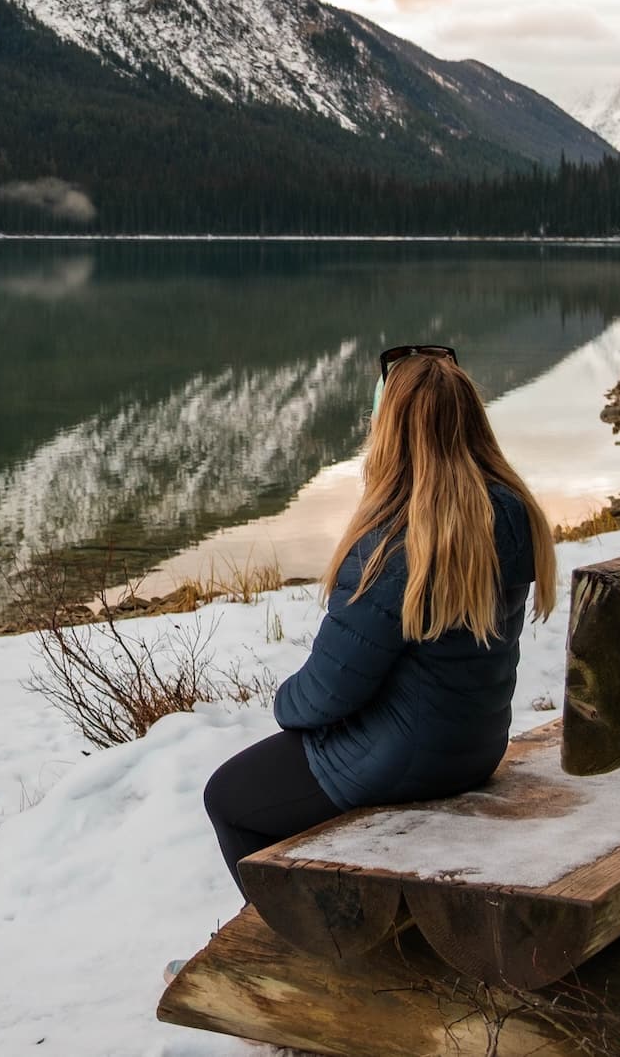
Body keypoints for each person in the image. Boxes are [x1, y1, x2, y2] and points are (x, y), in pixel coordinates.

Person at [201, 344, 556, 896]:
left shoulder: (390, 545)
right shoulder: (511, 514)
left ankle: (283, 945)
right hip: (475, 747)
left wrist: (284, 704)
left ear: (388, 433)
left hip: (400, 761)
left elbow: (327, 693)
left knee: (228, 796)